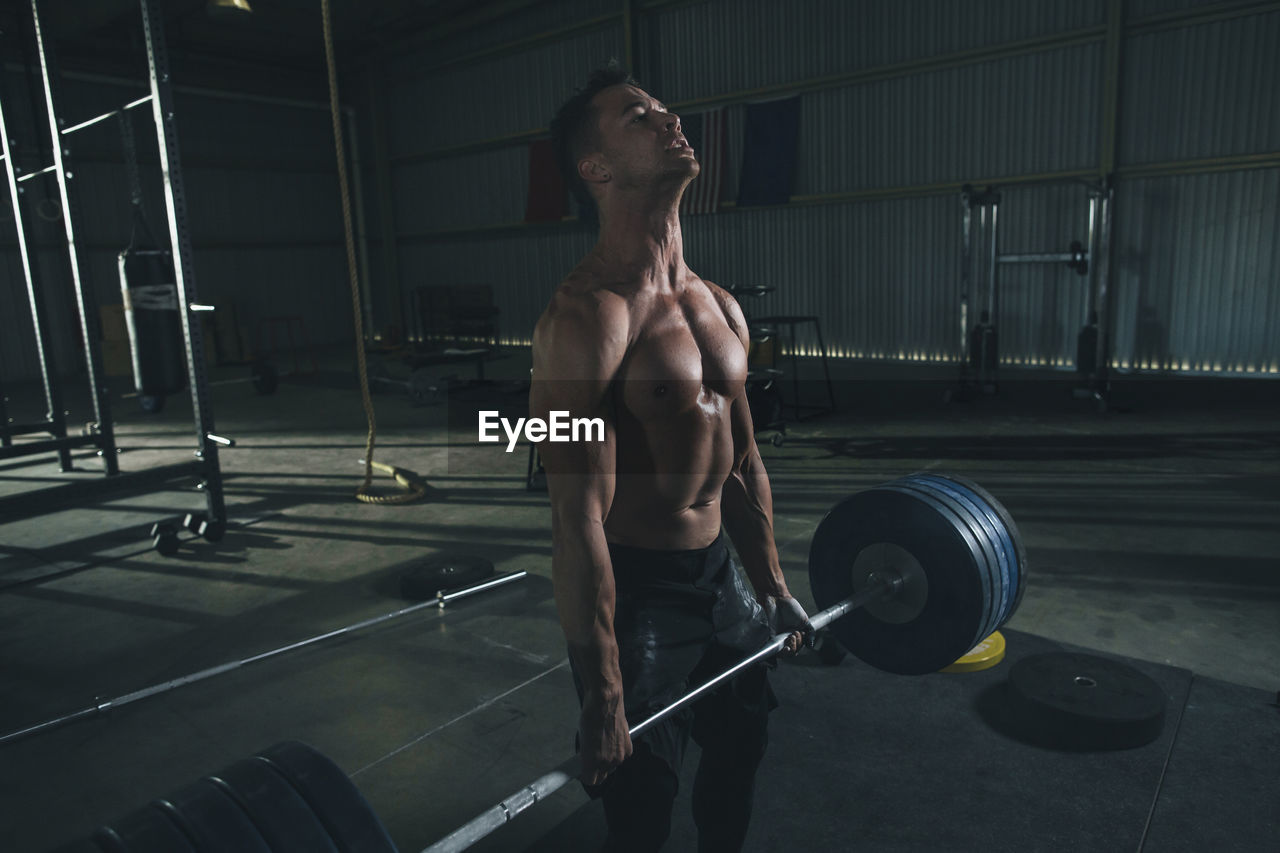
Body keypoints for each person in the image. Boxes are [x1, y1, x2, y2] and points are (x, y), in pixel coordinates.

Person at [529, 64, 813, 853]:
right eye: (639, 118)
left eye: (665, 110)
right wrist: (603, 693)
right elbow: (575, 518)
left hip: (720, 576)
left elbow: (745, 462)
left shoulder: (720, 305)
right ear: (597, 168)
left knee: (741, 749)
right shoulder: (585, 320)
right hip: (640, 593)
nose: (671, 120)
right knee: (641, 799)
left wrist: (772, 586)